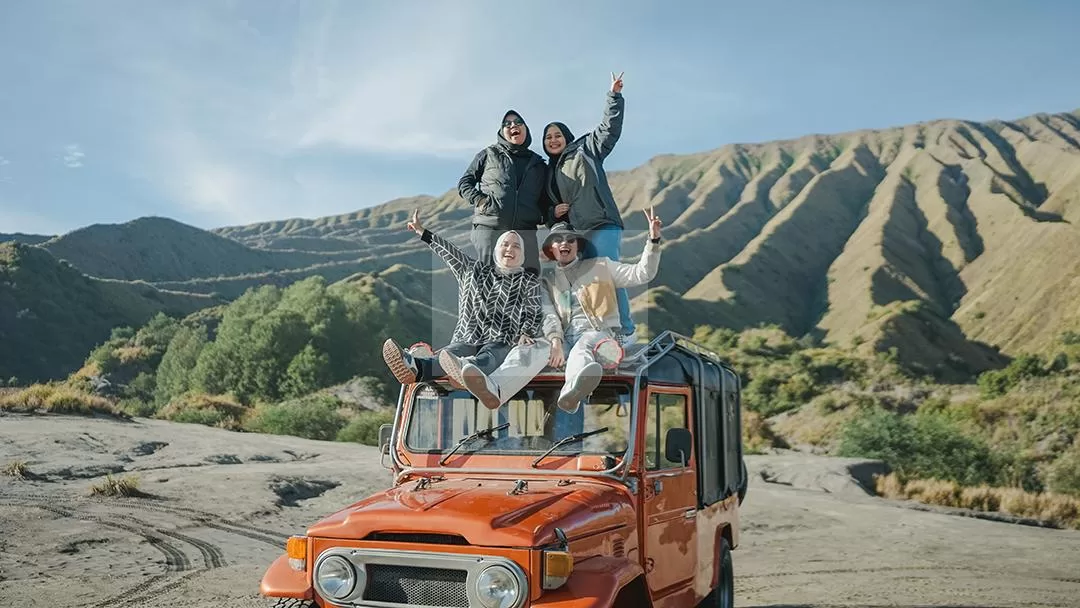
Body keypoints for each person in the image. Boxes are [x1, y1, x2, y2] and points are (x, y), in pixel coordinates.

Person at [381, 209, 561, 409]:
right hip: (467, 335)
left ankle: (468, 370)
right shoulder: (471, 269)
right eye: (505, 244)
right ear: (496, 250)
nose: (510, 248)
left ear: (522, 254)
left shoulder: (529, 282)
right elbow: (449, 253)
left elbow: (534, 311)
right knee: (450, 353)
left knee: (489, 356)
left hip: (502, 339)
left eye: (516, 246)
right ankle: (416, 367)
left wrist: (526, 332)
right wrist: (423, 232)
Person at [541, 72, 635, 344]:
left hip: (601, 223)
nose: (553, 140)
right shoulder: (548, 172)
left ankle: (626, 332)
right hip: (575, 235)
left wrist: (613, 96)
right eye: (548, 138)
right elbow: (547, 210)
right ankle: (596, 333)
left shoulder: (585, 148)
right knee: (586, 286)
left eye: (557, 135)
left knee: (609, 276)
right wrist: (552, 214)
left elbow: (609, 129)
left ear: (566, 136)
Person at [540, 208, 663, 413]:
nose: (565, 243)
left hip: (598, 334)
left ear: (578, 246)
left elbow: (642, 273)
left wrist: (653, 241)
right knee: (536, 352)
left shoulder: (602, 266)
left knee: (584, 345)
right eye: (558, 239)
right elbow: (550, 316)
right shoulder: (548, 281)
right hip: (565, 339)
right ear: (551, 249)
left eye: (571, 239)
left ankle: (571, 394)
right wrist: (554, 341)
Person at [457, 109, 547, 273]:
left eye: (518, 122)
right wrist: (481, 201)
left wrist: (544, 215)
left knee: (530, 279)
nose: (513, 125)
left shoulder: (539, 165)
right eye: (507, 124)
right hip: (490, 227)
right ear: (502, 131)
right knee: (488, 279)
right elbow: (465, 183)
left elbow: (545, 199)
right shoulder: (488, 154)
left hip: (525, 231)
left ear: (526, 129)